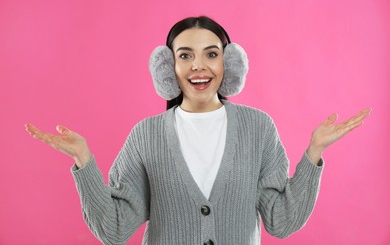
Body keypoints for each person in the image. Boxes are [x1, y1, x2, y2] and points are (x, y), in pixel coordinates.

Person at [25, 16, 371, 245]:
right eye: (185, 55)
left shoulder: (258, 128)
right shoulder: (146, 136)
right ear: (168, 67)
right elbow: (114, 228)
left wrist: (313, 154)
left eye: (211, 54)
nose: (199, 66)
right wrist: (84, 162)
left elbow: (280, 221)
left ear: (229, 63)